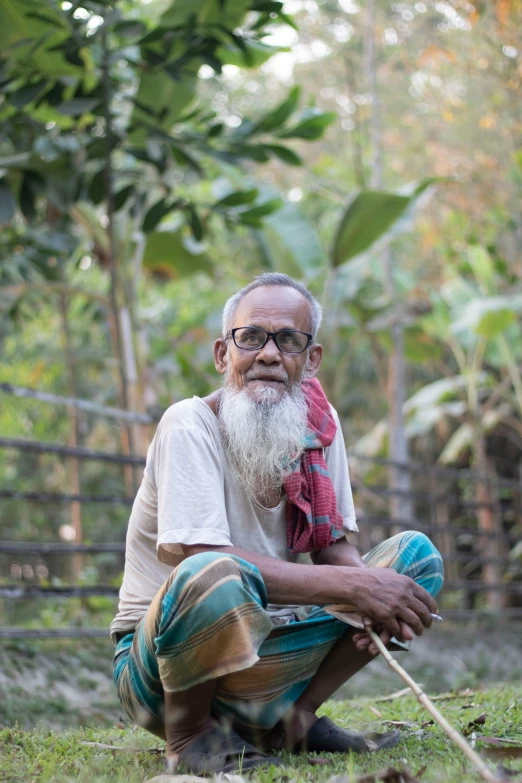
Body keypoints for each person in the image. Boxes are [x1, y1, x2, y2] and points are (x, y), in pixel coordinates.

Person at [110, 273, 443, 775]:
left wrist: (373, 593)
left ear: (311, 360)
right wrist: (354, 586)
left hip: (267, 653)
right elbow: (203, 560)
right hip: (161, 672)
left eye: (288, 340)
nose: (268, 354)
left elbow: (334, 550)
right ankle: (191, 736)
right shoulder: (188, 424)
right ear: (224, 355)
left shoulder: (319, 423)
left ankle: (293, 716)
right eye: (251, 337)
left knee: (414, 561)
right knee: (214, 572)